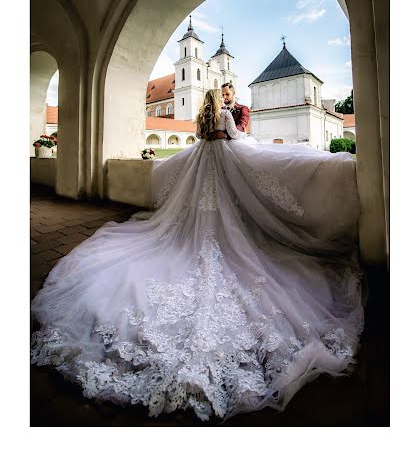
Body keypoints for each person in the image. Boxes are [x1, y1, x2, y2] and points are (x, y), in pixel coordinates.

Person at [31, 88, 367, 424]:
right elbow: (237, 136)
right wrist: (238, 135)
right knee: (225, 213)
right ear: (219, 101)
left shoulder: (203, 118)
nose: (225, 98)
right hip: (223, 163)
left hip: (203, 162)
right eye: (222, 96)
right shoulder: (223, 115)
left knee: (198, 214)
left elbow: (200, 138)